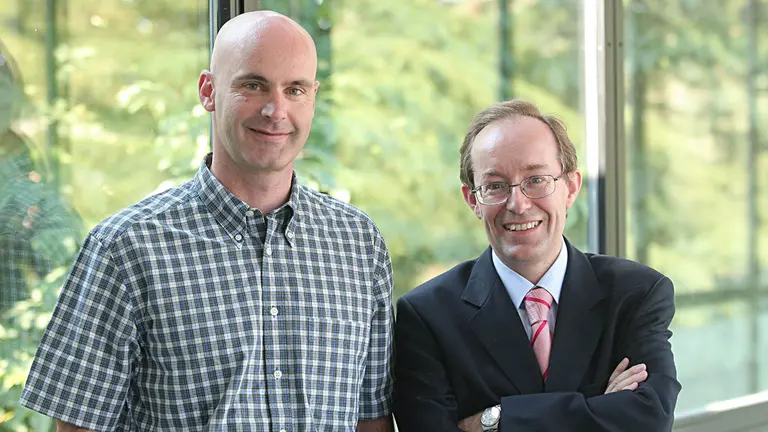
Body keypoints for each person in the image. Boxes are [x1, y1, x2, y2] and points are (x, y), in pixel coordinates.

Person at [20, 11, 395, 432]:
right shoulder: (126, 248)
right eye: (253, 85)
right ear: (208, 91)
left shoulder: (358, 244)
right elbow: (78, 426)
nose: (276, 109)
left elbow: (371, 419)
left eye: (295, 89)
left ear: (313, 96)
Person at [392, 99, 680, 432]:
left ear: (570, 187)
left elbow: (649, 418)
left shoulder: (636, 293)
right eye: (495, 186)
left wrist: (497, 419)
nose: (518, 203)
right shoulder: (427, 315)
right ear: (473, 200)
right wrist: (602, 409)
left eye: (537, 179)